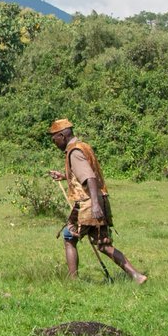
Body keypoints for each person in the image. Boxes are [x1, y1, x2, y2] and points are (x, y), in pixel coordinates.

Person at [46, 119, 147, 283]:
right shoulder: (83, 146)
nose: (53, 142)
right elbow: (82, 175)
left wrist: (94, 205)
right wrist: (65, 176)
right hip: (99, 199)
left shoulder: (74, 151)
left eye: (54, 138)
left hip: (88, 203)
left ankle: (73, 281)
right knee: (104, 245)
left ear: (62, 135)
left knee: (69, 237)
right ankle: (136, 275)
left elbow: (89, 178)